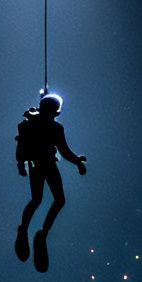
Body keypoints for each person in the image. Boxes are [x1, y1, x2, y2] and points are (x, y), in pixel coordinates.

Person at [14, 92, 86, 272]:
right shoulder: (46, 127)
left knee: (43, 200)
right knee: (45, 200)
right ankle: (32, 231)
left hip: (41, 165)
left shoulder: (46, 126)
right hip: (40, 165)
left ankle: (33, 232)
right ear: (55, 111)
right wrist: (20, 164)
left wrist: (77, 161)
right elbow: (24, 146)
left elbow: (64, 150)